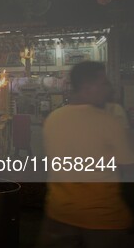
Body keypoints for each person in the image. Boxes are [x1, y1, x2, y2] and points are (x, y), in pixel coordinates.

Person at [40, 61, 134, 247]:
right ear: (86, 87)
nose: (108, 88)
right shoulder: (109, 122)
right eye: (103, 83)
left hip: (59, 213)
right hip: (103, 219)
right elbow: (128, 168)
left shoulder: (53, 119)